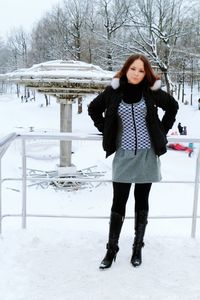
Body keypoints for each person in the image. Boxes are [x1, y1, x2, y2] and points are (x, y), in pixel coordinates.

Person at [88, 54, 179, 269]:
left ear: (145, 72)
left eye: (141, 70)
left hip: (147, 155)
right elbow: (93, 109)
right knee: (118, 201)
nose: (137, 73)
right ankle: (112, 248)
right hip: (124, 155)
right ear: (126, 69)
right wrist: (106, 130)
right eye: (133, 69)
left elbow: (172, 107)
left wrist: (161, 132)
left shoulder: (151, 91)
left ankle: (138, 247)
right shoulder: (114, 91)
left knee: (142, 200)